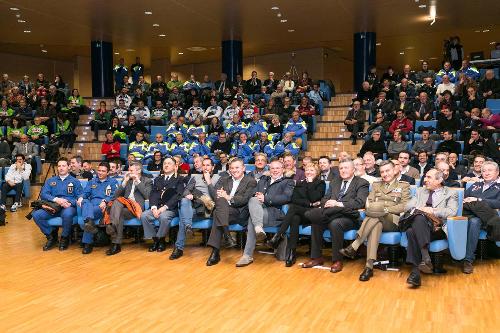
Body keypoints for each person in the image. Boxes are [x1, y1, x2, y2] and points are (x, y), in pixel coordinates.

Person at [340, 161, 411, 281]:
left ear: (394, 170)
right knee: (376, 222)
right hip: (376, 217)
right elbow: (369, 204)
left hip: (393, 220)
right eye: (382, 171)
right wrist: (377, 209)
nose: (385, 174)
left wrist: (385, 209)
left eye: (387, 170)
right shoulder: (376, 185)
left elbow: (404, 206)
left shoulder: (404, 185)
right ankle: (369, 267)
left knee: (376, 209)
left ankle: (355, 244)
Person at [302, 160, 370, 273]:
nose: (343, 170)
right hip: (330, 213)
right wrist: (328, 203)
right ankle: (316, 257)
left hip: (349, 217)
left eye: (346, 168)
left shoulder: (362, 182)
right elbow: (324, 199)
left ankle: (337, 260)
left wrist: (338, 204)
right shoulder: (335, 181)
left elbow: (360, 202)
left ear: (353, 169)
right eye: (341, 168)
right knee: (317, 222)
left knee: (332, 222)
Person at [403, 169, 458, 287]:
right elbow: (407, 206)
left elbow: (452, 212)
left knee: (412, 230)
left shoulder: (450, 193)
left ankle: (423, 259)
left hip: (437, 228)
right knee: (416, 222)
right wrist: (421, 208)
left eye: (429, 177)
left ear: (439, 180)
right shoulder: (420, 191)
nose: (425, 180)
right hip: (421, 225)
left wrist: (433, 210)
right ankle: (417, 271)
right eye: (425, 177)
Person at [236, 160, 295, 267]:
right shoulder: (264, 179)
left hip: (275, 213)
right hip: (258, 210)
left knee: (252, 219)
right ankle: (258, 228)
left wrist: (265, 198)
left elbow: (287, 197)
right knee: (253, 201)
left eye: (277, 168)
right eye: (272, 168)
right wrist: (257, 194)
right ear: (269, 169)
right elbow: (253, 192)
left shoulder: (288, 182)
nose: (275, 170)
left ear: (282, 169)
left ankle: (247, 255)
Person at [268, 163, 325, 266]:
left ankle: (278, 236)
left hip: (313, 214)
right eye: (307, 170)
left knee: (294, 210)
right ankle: (292, 253)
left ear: (317, 173)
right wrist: (309, 204)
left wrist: (311, 184)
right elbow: (294, 199)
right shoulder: (300, 183)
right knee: (294, 217)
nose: (308, 172)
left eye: (312, 170)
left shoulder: (321, 183)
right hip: (300, 212)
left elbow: (315, 198)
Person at [205, 158, 257, 266]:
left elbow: (244, 199)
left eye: (237, 167)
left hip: (239, 212)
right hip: (224, 211)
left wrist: (228, 197)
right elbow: (215, 195)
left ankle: (217, 250)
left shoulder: (250, 181)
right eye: (232, 168)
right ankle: (226, 236)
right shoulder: (224, 179)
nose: (234, 170)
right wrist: (222, 197)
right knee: (219, 204)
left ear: (243, 168)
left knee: (217, 212)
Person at [172, 158, 220, 259]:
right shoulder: (195, 177)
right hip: (196, 208)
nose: (206, 167)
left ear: (213, 167)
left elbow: (216, 197)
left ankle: (178, 248)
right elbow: (186, 191)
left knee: (183, 219)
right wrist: (189, 194)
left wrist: (208, 181)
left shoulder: (218, 178)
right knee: (184, 200)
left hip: (209, 208)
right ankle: (188, 227)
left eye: (208, 165)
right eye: (204, 165)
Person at [32, 157, 83, 251]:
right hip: (53, 206)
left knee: (67, 214)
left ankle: (64, 238)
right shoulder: (50, 181)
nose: (61, 168)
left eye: (63, 165)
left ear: (68, 167)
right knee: (36, 215)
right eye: (59, 166)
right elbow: (44, 194)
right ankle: (51, 237)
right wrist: (56, 199)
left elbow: (80, 196)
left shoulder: (75, 181)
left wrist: (68, 202)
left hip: (68, 207)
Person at [106, 161, 153, 255]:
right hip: (125, 207)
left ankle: (111, 226)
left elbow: (147, 195)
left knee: (117, 203)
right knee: (118, 206)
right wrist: (124, 182)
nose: (128, 172)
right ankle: (116, 244)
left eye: (131, 170)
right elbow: (115, 196)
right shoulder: (127, 180)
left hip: (137, 208)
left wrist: (138, 182)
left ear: (139, 170)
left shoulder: (147, 181)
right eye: (128, 170)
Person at [462, 161, 500, 274]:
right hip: (470, 215)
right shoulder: (475, 185)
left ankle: (467, 260)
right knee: (471, 215)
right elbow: (464, 199)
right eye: (484, 171)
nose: (486, 173)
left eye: (490, 170)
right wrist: (470, 202)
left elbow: (498, 203)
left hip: (486, 219)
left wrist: (479, 201)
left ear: (497, 172)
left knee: (475, 221)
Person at [141, 157, 185, 253]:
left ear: (175, 166)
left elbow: (178, 196)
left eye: (169, 163)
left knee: (164, 217)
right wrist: (153, 208)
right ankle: (155, 240)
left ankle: (161, 240)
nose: (166, 165)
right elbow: (153, 194)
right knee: (144, 215)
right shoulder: (158, 179)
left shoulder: (179, 179)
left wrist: (163, 208)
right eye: (165, 163)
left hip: (170, 208)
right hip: (157, 207)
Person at [77, 162, 118, 254]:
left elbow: (115, 195)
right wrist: (81, 197)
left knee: (87, 217)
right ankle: (89, 222)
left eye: (103, 171)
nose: (100, 173)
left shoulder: (113, 182)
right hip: (91, 205)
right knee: (85, 202)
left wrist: (105, 201)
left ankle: (87, 244)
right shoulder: (92, 181)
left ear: (108, 173)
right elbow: (85, 193)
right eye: (99, 170)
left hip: (103, 207)